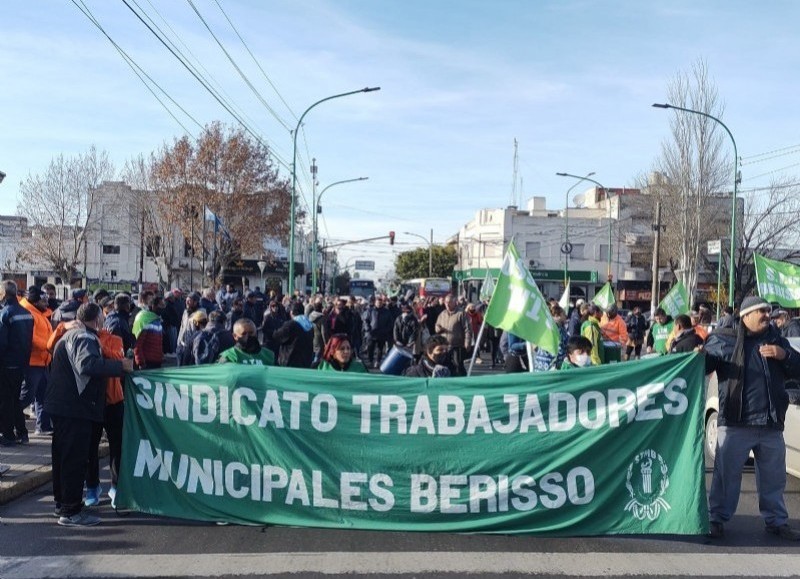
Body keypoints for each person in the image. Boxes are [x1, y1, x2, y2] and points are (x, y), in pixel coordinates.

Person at [703, 295, 800, 540]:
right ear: (746, 316)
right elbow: (701, 367)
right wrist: (698, 354)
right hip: (736, 423)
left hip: (770, 424)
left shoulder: (777, 340)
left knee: (774, 479)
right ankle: (716, 519)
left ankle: (777, 522)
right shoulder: (723, 340)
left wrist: (784, 355)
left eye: (769, 311)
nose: (768, 315)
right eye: (762, 312)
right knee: (726, 477)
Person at [44, 303, 133, 526]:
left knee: (63, 458)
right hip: (76, 408)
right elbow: (87, 364)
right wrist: (119, 366)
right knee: (74, 459)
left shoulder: (69, 335)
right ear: (97, 320)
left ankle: (63, 504)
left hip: (63, 406)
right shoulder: (85, 337)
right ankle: (71, 511)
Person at [0, 281, 34, 447]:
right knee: (15, 400)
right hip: (21, 363)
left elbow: (2, 343)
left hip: (6, 364)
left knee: (6, 401)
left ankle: (8, 435)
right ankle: (22, 432)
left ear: (4, 294)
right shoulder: (27, 313)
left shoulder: (5, 313)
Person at [19, 286, 54, 438]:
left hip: (43, 360)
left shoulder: (38, 313)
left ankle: (43, 426)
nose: (47, 303)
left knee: (44, 395)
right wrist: (48, 346)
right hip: (32, 362)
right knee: (26, 396)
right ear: (35, 301)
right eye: (43, 300)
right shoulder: (28, 314)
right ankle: (7, 419)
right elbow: (31, 338)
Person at [435, 294, 472, 376]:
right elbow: (437, 326)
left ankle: (463, 381)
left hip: (457, 346)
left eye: (449, 302)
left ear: (455, 302)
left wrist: (467, 342)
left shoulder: (461, 314)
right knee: (446, 366)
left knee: (458, 365)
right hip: (445, 346)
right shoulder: (442, 314)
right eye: (446, 302)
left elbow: (467, 329)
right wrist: (439, 329)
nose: (447, 304)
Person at [273, 301, 314, 369]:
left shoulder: (290, 324)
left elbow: (277, 336)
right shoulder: (309, 324)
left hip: (290, 360)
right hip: (305, 361)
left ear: (291, 312)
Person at [132, 290, 164, 369]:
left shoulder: (155, 318)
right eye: (150, 300)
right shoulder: (143, 317)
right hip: (146, 362)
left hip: (156, 361)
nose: (163, 308)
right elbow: (137, 343)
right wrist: (140, 362)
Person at [366, 296, 394, 369]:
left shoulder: (386, 311)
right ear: (375, 302)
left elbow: (390, 323)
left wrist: (386, 330)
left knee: (380, 349)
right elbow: (366, 320)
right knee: (370, 348)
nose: (379, 303)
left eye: (380, 302)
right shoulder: (370, 310)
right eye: (378, 302)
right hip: (372, 333)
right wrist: (368, 329)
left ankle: (377, 362)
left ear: (382, 303)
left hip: (382, 334)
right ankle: (370, 361)